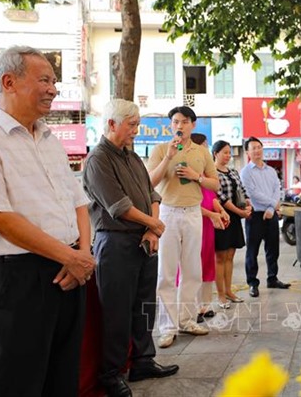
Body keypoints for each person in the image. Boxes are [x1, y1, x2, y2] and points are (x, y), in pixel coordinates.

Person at [0, 45, 96, 396]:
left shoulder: (50, 140)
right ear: (9, 81)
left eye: (55, 81)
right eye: (44, 79)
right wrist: (70, 257)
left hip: (69, 274)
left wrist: (83, 255)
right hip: (17, 280)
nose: (53, 89)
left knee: (62, 380)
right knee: (16, 384)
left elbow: (78, 203)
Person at [83, 99, 179, 397]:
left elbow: (152, 193)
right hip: (115, 242)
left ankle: (142, 360)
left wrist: (152, 226)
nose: (136, 131)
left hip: (144, 239)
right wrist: (155, 225)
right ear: (112, 124)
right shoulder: (98, 159)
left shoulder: (133, 157)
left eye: (137, 124)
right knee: (117, 310)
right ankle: (112, 373)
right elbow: (119, 206)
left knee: (144, 305)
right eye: (132, 125)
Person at [147, 106, 220, 349]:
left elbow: (215, 184)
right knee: (166, 272)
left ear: (193, 125)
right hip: (167, 212)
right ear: (170, 125)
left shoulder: (202, 152)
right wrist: (168, 157)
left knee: (192, 269)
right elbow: (150, 182)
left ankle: (187, 319)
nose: (180, 126)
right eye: (176, 122)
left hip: (193, 213)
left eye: (185, 121)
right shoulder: (159, 150)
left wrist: (195, 176)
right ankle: (167, 327)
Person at [182, 133, 229, 322]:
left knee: (207, 263)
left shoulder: (204, 174)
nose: (205, 150)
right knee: (192, 265)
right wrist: (212, 214)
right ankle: (191, 308)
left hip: (208, 226)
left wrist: (219, 210)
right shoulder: (186, 173)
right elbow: (190, 203)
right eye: (203, 146)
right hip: (194, 223)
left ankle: (205, 304)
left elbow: (212, 197)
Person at [240, 137, 291, 297]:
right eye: (253, 148)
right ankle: (252, 283)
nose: (257, 151)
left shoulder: (271, 171)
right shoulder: (245, 172)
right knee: (252, 251)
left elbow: (277, 189)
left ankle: (272, 278)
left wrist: (271, 208)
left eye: (259, 147)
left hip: (271, 214)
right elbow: (253, 193)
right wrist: (273, 204)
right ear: (247, 152)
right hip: (255, 215)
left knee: (273, 249)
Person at [212, 140, 252, 307]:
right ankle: (220, 294)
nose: (228, 155)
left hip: (235, 217)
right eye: (225, 152)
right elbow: (221, 197)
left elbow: (242, 190)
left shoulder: (234, 171)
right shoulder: (212, 173)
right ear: (215, 154)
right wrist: (239, 211)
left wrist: (248, 204)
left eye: (229, 152)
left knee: (230, 256)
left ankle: (229, 290)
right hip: (221, 216)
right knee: (220, 257)